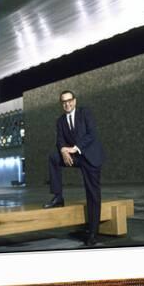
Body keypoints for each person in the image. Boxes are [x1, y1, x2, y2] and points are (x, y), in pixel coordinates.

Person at [43, 90, 104, 246]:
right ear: (61, 104)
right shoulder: (60, 121)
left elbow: (92, 135)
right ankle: (58, 197)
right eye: (64, 102)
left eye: (69, 100)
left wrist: (74, 148)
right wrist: (63, 149)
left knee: (93, 195)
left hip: (89, 156)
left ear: (74, 101)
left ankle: (93, 232)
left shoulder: (85, 113)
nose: (67, 104)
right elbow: (60, 140)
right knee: (53, 157)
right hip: (74, 157)